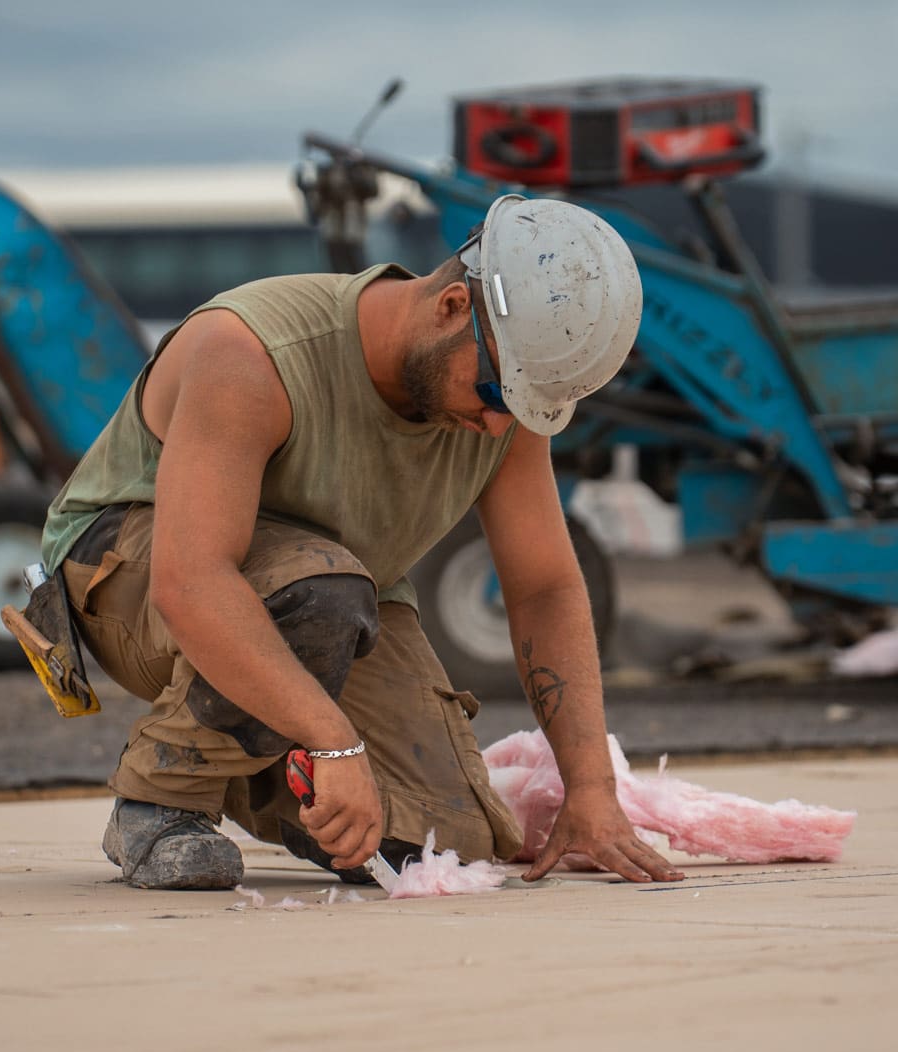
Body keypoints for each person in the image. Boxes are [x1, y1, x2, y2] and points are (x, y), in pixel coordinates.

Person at [39, 193, 685, 890]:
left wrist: (591, 790)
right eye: (497, 395)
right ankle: (160, 801)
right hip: (130, 572)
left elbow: (545, 587)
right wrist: (333, 740)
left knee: (450, 842)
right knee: (321, 592)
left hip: (326, 598)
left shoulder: (502, 402)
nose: (500, 428)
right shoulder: (253, 353)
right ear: (452, 308)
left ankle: (271, 766)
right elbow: (191, 581)